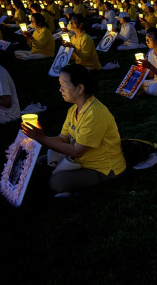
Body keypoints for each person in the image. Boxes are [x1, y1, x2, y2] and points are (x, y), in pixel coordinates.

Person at [21, 64, 126, 195]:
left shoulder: (95, 114)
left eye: (63, 85)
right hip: (79, 161)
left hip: (102, 168)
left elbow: (77, 151)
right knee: (42, 160)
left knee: (56, 182)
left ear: (80, 88)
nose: (60, 89)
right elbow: (62, 139)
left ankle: (72, 187)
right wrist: (36, 138)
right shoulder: (73, 110)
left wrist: (42, 138)